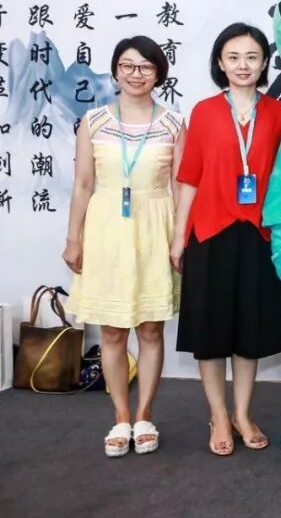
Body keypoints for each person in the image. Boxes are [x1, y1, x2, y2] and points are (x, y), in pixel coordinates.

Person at [171, 23, 281, 456]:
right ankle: (219, 415)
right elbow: (189, 178)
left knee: (249, 330)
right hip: (209, 233)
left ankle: (242, 413)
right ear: (220, 63)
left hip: (258, 235)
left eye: (252, 57)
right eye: (234, 57)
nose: (243, 65)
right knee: (210, 330)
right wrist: (179, 236)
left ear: (264, 63)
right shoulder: (203, 112)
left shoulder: (279, 113)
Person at [64, 36, 185, 457]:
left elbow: (181, 187)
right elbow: (82, 184)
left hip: (154, 227)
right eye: (128, 65)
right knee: (112, 331)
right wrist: (73, 237)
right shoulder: (93, 121)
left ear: (158, 74)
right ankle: (120, 416)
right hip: (106, 230)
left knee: (150, 328)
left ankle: (144, 415)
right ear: (115, 70)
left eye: (146, 67)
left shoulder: (174, 124)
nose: (136, 74)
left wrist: (180, 237)